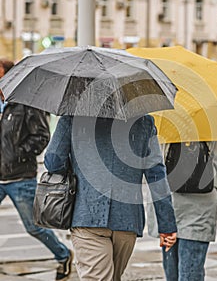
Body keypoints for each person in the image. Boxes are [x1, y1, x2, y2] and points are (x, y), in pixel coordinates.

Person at [44, 114, 177, 281]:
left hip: (87, 216)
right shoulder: (143, 122)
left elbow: (53, 162)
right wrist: (167, 224)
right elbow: (156, 175)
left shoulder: (73, 119)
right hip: (126, 220)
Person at [0, 59, 73, 281]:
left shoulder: (26, 103)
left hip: (19, 177)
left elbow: (41, 136)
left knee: (34, 227)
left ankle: (62, 254)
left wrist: (18, 155)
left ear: (8, 76)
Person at [148, 136, 217, 281]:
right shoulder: (213, 121)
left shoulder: (161, 122)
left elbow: (150, 164)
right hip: (201, 205)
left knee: (172, 271)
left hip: (168, 204)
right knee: (192, 271)